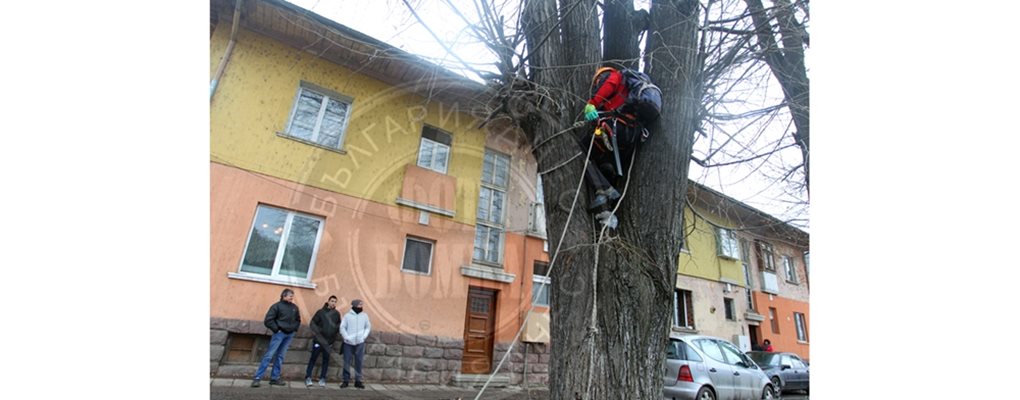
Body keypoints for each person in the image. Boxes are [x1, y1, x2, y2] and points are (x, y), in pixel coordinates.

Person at [579, 66, 646, 216]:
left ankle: (604, 189)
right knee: (604, 161)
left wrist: (592, 103)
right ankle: (606, 194)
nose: (598, 85)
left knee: (582, 148)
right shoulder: (629, 94)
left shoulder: (615, 76)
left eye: (598, 82)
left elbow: (606, 89)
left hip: (619, 128)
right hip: (631, 134)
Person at [251, 289, 301, 388]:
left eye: (292, 295)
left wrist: (294, 329)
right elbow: (268, 320)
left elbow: (298, 320)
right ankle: (257, 378)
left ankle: (274, 378)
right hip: (279, 334)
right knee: (269, 356)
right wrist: (276, 329)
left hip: (289, 335)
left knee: (280, 357)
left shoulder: (294, 307)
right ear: (284, 296)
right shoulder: (276, 306)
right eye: (290, 295)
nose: (292, 297)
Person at [305, 295, 341, 387]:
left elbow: (338, 327)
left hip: (329, 342)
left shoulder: (337, 314)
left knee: (326, 360)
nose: (333, 303)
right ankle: (308, 377)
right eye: (332, 301)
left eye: (335, 301)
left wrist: (333, 339)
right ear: (328, 301)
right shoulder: (320, 312)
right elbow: (312, 324)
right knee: (313, 358)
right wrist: (319, 333)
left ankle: (322, 378)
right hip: (318, 341)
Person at [339, 299, 371, 389]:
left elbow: (368, 327)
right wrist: (346, 337)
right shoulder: (347, 316)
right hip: (348, 343)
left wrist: (363, 337)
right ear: (355, 305)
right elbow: (342, 328)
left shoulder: (364, 316)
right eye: (360, 304)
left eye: (362, 304)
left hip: (360, 343)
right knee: (346, 362)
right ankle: (345, 380)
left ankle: (358, 381)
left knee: (359, 362)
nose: (361, 306)